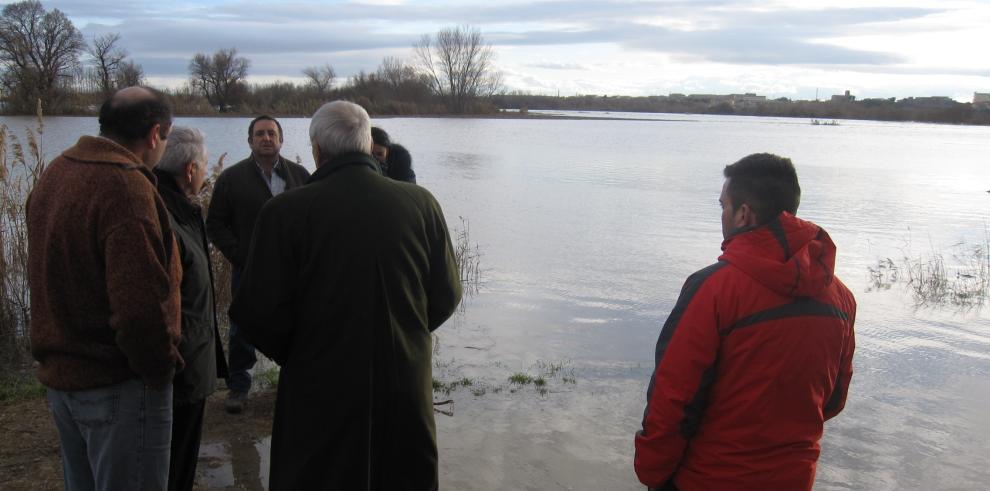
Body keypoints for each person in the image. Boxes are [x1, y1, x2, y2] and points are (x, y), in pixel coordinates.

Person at [230, 101, 462, 489]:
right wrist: (401, 334)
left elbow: (256, 312)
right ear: (368, 144)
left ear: (318, 150)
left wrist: (305, 354)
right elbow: (446, 295)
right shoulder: (421, 204)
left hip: (318, 386)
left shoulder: (284, 212)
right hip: (403, 383)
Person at [634, 153, 856, 491]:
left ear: (743, 213)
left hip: (708, 479)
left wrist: (652, 475)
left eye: (723, 206)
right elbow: (833, 399)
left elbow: (672, 401)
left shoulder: (713, 290)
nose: (721, 214)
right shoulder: (840, 299)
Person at [27, 86, 182, 491]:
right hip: (119, 386)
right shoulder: (125, 188)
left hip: (64, 381)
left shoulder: (57, 171)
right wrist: (159, 370)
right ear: (155, 135)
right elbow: (138, 307)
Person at [205, 115, 310, 414]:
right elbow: (215, 224)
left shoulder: (300, 175)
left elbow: (315, 219)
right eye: (260, 134)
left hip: (292, 270)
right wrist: (239, 255)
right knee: (241, 328)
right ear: (249, 140)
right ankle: (238, 387)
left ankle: (293, 381)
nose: (266, 138)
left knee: (297, 324)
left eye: (272, 134)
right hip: (248, 269)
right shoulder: (231, 179)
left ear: (281, 139)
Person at [154, 126, 230, 491]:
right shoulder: (164, 216)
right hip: (177, 371)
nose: (202, 174)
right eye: (200, 167)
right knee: (171, 467)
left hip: (185, 367)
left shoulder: (178, 210)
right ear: (189, 170)